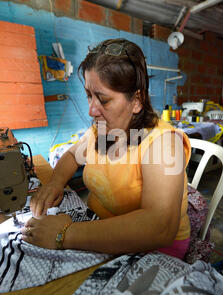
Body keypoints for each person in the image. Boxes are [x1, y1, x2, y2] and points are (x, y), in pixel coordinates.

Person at [24, 39, 192, 260]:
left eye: (103, 99)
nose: (92, 110)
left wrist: (64, 234)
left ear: (137, 101)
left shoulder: (162, 144)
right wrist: (55, 183)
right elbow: (72, 155)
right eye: (88, 95)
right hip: (98, 224)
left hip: (152, 249)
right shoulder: (102, 129)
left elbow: (160, 228)